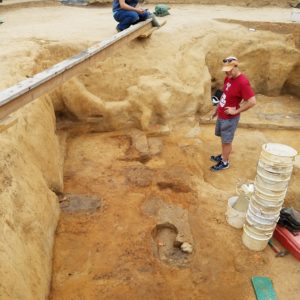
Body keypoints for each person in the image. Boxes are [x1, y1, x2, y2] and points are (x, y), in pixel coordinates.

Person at [210, 56, 256, 172]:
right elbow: (224, 94)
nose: (227, 72)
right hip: (222, 114)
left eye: (230, 69)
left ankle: (225, 162)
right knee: (224, 139)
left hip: (230, 118)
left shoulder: (243, 82)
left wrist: (235, 111)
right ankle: (222, 156)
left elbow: (252, 101)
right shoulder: (228, 78)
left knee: (227, 141)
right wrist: (217, 110)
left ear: (236, 66)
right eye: (226, 69)